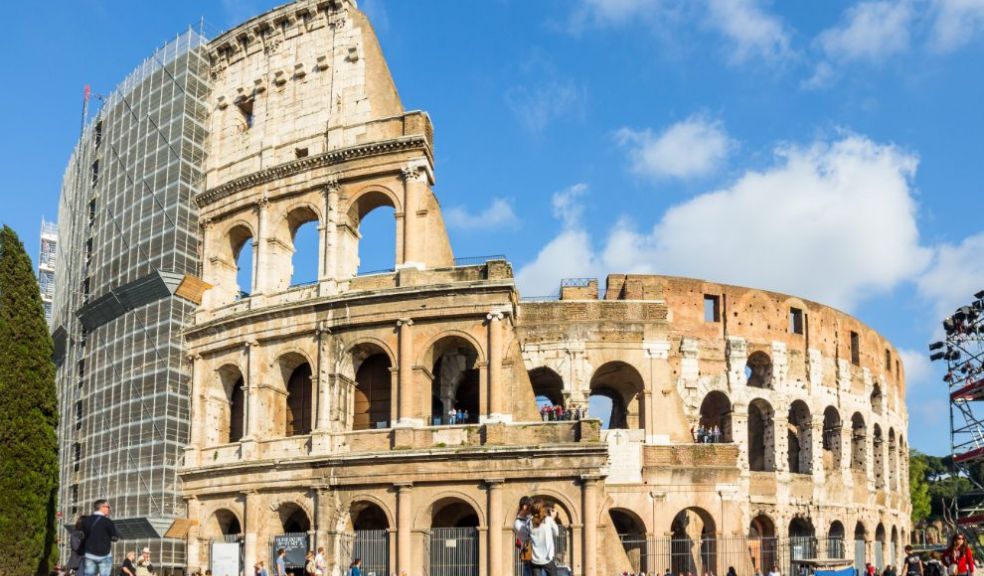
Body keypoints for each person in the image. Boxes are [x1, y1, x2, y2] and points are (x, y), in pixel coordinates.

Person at [81, 499, 120, 576]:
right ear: (102, 507)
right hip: (105, 554)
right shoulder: (107, 521)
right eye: (107, 507)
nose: (109, 509)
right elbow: (115, 536)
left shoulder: (86, 521)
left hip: (89, 553)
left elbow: (85, 534)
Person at [528, 499, 560, 576]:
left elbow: (527, 535)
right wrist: (553, 518)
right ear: (542, 509)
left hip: (534, 559)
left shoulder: (529, 522)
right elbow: (557, 533)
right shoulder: (548, 520)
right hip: (547, 558)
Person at [514, 496, 533, 576]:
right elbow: (528, 537)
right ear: (525, 507)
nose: (531, 510)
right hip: (529, 555)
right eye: (530, 507)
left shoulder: (529, 518)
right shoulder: (518, 523)